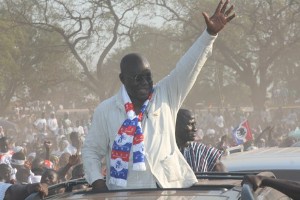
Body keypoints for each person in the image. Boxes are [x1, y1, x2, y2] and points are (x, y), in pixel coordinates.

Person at [82, 0, 235, 191]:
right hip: (125, 193)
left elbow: (187, 67)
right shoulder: (106, 110)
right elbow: (91, 151)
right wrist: (97, 182)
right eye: (138, 78)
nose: (145, 83)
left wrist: (209, 35)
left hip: (169, 190)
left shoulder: (165, 94)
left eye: (148, 77)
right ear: (123, 79)